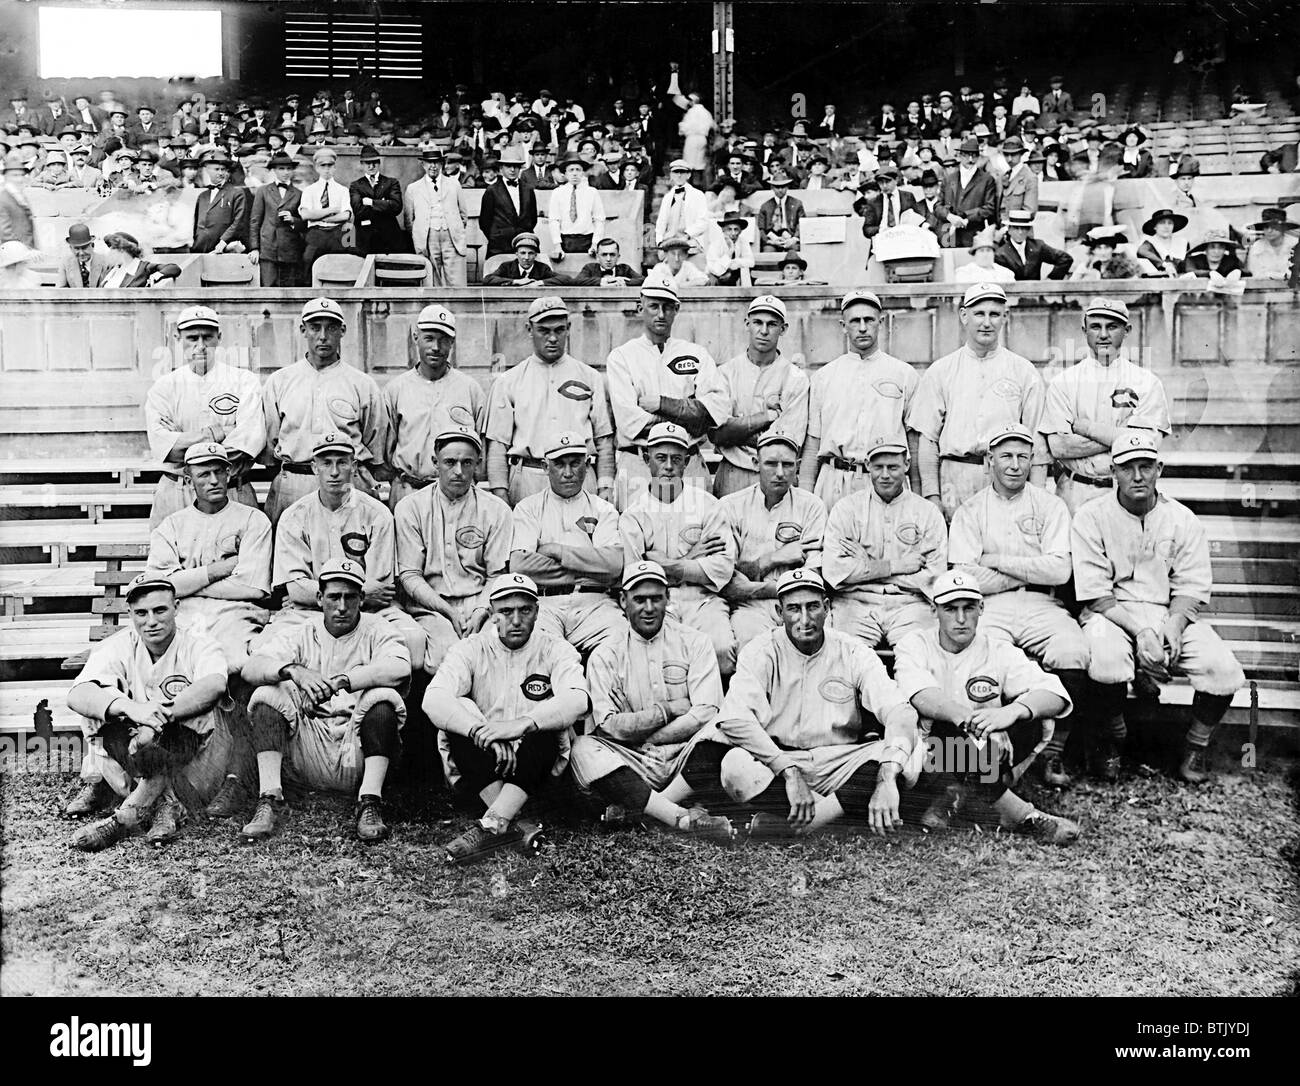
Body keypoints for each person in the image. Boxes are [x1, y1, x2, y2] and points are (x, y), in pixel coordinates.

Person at [679, 568, 925, 840]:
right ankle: (836, 815)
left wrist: (886, 777)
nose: (805, 619)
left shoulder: (853, 650)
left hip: (839, 760)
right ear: (779, 611)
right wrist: (788, 771)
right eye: (794, 609)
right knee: (734, 766)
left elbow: (899, 710)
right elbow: (735, 719)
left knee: (911, 752)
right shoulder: (761, 650)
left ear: (828, 607)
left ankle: (797, 823)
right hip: (781, 758)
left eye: (813, 607)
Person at [1072, 429, 1246, 784]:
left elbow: (1191, 585)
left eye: (1146, 466)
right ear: (1113, 471)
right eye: (1127, 467)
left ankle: (1195, 746)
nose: (1137, 476)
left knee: (1223, 669)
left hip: (1165, 613)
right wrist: (1143, 634)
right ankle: (1113, 740)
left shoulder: (1182, 518)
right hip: (1111, 613)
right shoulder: (1091, 516)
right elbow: (1094, 592)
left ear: (1159, 468)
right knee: (1105, 661)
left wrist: (1174, 625)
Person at [946, 423, 1093, 787]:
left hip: (1042, 604)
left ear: (1032, 462)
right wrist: (1029, 568)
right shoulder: (970, 510)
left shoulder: (1051, 505)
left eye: (1023, 457)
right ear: (989, 461)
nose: (1014, 465)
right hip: (990, 605)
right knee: (979, 654)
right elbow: (966, 578)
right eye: (1006, 456)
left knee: (1073, 651)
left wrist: (994, 559)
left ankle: (1053, 752)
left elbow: (1059, 570)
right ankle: (988, 754)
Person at [893, 571, 1080, 843]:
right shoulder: (914, 644)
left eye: (968, 608)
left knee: (1034, 716)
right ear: (934, 609)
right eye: (950, 609)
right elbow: (919, 693)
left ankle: (956, 794)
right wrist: (977, 725)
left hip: (988, 755)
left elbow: (1055, 694)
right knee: (943, 722)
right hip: (934, 753)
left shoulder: (998, 648)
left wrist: (1008, 713)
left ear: (981, 608)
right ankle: (1020, 814)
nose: (960, 619)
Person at [241, 558, 410, 843]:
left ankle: (370, 801)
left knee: (384, 698)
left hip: (356, 747)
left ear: (362, 598)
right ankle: (270, 797)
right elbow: (251, 668)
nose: (342, 607)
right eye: (333, 597)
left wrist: (343, 681)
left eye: (350, 597)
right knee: (267, 694)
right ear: (320, 598)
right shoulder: (302, 631)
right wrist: (294, 672)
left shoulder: (378, 628)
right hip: (310, 745)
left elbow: (400, 667)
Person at [424, 573, 588, 863]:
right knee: (457, 714)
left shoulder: (555, 648)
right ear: (492, 615)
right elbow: (433, 698)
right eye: (505, 611)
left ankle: (491, 823)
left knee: (549, 724)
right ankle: (514, 823)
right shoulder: (471, 648)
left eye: (524, 610)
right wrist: (480, 731)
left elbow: (578, 699)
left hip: (534, 772)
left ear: (537, 611)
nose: (515, 620)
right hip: (483, 768)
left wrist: (520, 725)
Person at [66, 574, 233, 851]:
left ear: (176, 607)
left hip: (193, 773)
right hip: (135, 761)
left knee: (197, 709)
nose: (151, 621)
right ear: (130, 613)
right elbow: (77, 694)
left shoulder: (198, 643)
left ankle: (124, 817)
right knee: (98, 707)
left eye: (160, 610)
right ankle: (165, 805)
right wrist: (134, 709)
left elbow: (215, 684)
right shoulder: (118, 645)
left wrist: (158, 717)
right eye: (141, 613)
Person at [574, 560, 733, 840]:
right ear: (623, 601)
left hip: (683, 752)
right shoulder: (605, 654)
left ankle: (647, 809)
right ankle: (679, 817)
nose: (649, 608)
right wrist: (669, 710)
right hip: (631, 759)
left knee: (725, 726)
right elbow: (610, 726)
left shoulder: (695, 641)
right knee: (582, 748)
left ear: (668, 598)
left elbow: (707, 711)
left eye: (656, 598)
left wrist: (654, 738)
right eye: (639, 599)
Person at [256, 432, 427, 668]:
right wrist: (337, 595)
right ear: (314, 468)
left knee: (413, 639)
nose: (334, 472)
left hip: (366, 611)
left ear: (354, 466)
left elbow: (381, 589)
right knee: (263, 647)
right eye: (326, 463)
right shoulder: (294, 516)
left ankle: (383, 700)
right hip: (309, 612)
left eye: (342, 462)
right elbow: (295, 589)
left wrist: (313, 592)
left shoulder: (377, 514)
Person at [910, 281, 1049, 521]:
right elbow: (928, 439)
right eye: (979, 314)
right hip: (955, 476)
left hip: (1007, 478)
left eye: (994, 314)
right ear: (964, 316)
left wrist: (1036, 497)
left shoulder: (1023, 371)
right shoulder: (941, 371)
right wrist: (931, 495)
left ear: (1005, 317)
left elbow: (1037, 442)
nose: (987, 322)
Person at [619, 422, 738, 676]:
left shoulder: (708, 505)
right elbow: (635, 578)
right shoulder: (634, 515)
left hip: (703, 600)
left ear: (686, 462)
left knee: (721, 649)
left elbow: (723, 567)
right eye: (661, 458)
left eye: (677, 459)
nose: (669, 466)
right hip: (659, 603)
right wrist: (694, 558)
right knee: (665, 656)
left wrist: (667, 565)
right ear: (646, 458)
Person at [145, 442, 272, 674]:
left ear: (228, 473)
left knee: (233, 662)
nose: (213, 480)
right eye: (203, 474)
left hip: (236, 612)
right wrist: (215, 571)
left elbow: (252, 588)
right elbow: (160, 585)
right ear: (188, 479)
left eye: (218, 472)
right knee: (172, 659)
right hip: (183, 613)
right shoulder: (172, 525)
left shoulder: (254, 520)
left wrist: (187, 583)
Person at [261, 297, 389, 526]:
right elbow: (271, 446)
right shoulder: (280, 381)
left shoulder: (362, 384)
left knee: (351, 552)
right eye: (314, 327)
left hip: (347, 481)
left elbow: (374, 442)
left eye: (331, 328)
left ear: (342, 330)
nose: (323, 336)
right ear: (303, 330)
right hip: (295, 480)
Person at [395, 426, 512, 673]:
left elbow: (496, 575)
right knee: (443, 659)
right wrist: (447, 611)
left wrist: (481, 611)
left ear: (478, 465)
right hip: (431, 605)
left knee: (496, 655)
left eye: (467, 463)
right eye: (450, 462)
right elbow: (409, 575)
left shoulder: (497, 510)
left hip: (481, 600)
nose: (458, 471)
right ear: (435, 463)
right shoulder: (411, 507)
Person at [1039, 297, 1171, 513]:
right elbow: (1059, 447)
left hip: (1124, 492)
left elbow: (1149, 444)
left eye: (1112, 327)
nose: (1103, 335)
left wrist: (1086, 428)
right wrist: (1126, 434)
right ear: (1084, 330)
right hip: (1075, 491)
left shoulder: (1146, 382)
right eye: (1095, 327)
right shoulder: (1063, 382)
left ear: (1127, 330)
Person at [606, 276, 728, 508]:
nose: (661, 314)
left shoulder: (697, 353)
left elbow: (717, 411)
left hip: (688, 460)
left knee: (695, 534)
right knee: (639, 536)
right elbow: (630, 422)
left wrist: (663, 404)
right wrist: (689, 412)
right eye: (654, 306)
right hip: (639, 462)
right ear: (640, 307)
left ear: (676, 309)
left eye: (667, 307)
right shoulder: (621, 357)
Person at [485, 295, 616, 506]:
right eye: (544, 331)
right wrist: (500, 494)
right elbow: (498, 445)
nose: (553, 338)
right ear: (530, 329)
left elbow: (604, 439)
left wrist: (606, 485)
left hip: (579, 476)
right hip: (529, 475)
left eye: (559, 330)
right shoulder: (509, 381)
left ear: (568, 327)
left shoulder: (589, 377)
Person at [508, 431, 627, 654]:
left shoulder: (603, 509)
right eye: (559, 465)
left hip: (594, 603)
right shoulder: (528, 508)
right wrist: (590, 567)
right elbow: (520, 566)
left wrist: (555, 550)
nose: (568, 473)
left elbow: (614, 565)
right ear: (545, 467)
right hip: (543, 604)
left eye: (575, 464)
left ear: (588, 463)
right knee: (539, 649)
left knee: (619, 640)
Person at [145, 306, 265, 528]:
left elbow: (247, 444)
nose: (200, 346)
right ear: (177, 338)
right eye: (192, 338)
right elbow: (164, 448)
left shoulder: (243, 381)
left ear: (219, 337)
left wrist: (183, 439)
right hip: (178, 490)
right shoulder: (164, 387)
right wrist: (219, 433)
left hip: (232, 491)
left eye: (207, 337)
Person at [822, 435, 945, 650]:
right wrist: (898, 565)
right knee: (844, 657)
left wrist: (868, 565)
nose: (885, 475)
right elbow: (834, 572)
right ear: (868, 465)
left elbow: (933, 578)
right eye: (878, 467)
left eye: (893, 467)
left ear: (907, 465)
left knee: (919, 656)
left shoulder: (927, 512)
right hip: (855, 604)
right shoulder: (847, 509)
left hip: (910, 604)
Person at [799, 289, 919, 509]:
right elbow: (813, 444)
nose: (862, 327)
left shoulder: (904, 374)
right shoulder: (824, 377)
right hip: (834, 481)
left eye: (869, 320)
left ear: (880, 322)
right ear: (843, 326)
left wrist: (919, 498)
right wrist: (804, 501)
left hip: (886, 482)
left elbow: (914, 443)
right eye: (855, 321)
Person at [718, 432, 827, 652]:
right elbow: (728, 582)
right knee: (751, 648)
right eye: (770, 464)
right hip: (751, 608)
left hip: (801, 607)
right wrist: (773, 559)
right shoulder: (730, 506)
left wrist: (752, 587)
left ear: (797, 466)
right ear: (756, 463)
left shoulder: (812, 506)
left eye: (787, 465)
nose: (779, 473)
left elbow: (813, 580)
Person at [382, 303, 485, 508]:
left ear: (452, 342)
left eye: (443, 340)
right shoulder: (396, 389)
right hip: (408, 490)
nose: (436, 348)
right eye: (429, 338)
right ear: (415, 337)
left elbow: (481, 449)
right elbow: (385, 450)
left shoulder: (470, 389)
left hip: (457, 495)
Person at [710, 294, 808, 497]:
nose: (764, 331)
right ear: (747, 323)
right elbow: (717, 433)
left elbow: (789, 441)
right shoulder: (726, 373)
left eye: (772, 324)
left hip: (775, 475)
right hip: (733, 473)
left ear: (783, 329)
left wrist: (737, 429)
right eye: (757, 323)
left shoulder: (795, 378)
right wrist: (768, 418)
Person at [404, 147, 469, 287]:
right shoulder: (413, 188)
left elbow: (463, 214)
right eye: (429, 162)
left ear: (442, 164)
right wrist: (421, 234)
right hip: (428, 237)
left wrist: (454, 229)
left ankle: (456, 308)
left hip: (451, 237)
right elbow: (409, 220)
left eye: (436, 162)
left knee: (456, 280)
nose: (433, 166)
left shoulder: (454, 184)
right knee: (432, 280)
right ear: (423, 164)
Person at [247, 151, 304, 286]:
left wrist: (293, 220)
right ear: (274, 170)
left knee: (288, 290)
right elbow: (255, 221)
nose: (285, 172)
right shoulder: (263, 191)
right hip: (268, 248)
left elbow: (305, 223)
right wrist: (255, 248)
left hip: (289, 248)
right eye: (281, 169)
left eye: (289, 169)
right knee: (268, 287)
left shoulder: (298, 194)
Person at [296, 146, 352, 279]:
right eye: (323, 166)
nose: (326, 169)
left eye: (330, 165)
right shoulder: (309, 190)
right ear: (317, 168)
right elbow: (305, 215)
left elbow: (346, 215)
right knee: (308, 262)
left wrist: (320, 217)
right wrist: (331, 211)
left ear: (334, 167)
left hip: (336, 233)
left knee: (339, 267)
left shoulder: (342, 190)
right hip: (316, 233)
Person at [477, 146, 537, 258]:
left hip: (524, 246)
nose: (513, 170)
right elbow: (484, 222)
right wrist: (496, 236)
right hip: (499, 247)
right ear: (501, 168)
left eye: (516, 166)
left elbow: (533, 218)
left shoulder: (528, 189)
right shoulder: (492, 190)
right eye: (508, 166)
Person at [939, 138, 998, 249]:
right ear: (960, 155)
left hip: (973, 234)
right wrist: (949, 216)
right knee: (949, 263)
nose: (970, 159)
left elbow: (989, 208)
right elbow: (937, 206)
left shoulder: (987, 179)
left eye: (974, 155)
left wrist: (967, 219)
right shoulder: (949, 179)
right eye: (966, 155)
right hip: (948, 233)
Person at [546, 155, 605, 264]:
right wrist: (557, 245)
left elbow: (599, 220)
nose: (574, 173)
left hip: (587, 241)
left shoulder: (592, 192)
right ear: (565, 174)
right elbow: (554, 220)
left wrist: (595, 244)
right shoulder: (558, 193)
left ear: (583, 173)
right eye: (571, 170)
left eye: (578, 170)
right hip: (566, 241)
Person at [347, 144, 405, 256]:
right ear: (362, 164)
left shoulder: (391, 182)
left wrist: (371, 202)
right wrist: (384, 204)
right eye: (368, 163)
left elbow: (397, 207)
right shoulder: (356, 185)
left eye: (375, 162)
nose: (371, 166)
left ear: (379, 163)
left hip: (389, 238)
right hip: (364, 239)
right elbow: (358, 211)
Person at [191, 149, 249, 254]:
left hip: (224, 249)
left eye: (223, 169)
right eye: (217, 169)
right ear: (208, 170)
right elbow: (197, 224)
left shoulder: (236, 192)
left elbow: (239, 221)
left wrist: (223, 241)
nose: (221, 173)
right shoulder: (203, 196)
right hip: (200, 248)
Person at [993, 208, 1071, 281]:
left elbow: (1065, 259)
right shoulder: (1001, 254)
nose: (1020, 232)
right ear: (1009, 230)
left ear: (1028, 230)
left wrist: (1050, 280)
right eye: (1016, 228)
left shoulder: (1037, 246)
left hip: (1035, 293)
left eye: (1024, 228)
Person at [655, 159, 710, 251]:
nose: (679, 175)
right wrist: (659, 241)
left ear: (688, 175)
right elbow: (660, 222)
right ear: (671, 175)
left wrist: (687, 235)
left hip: (690, 240)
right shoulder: (667, 197)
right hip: (669, 241)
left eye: (682, 172)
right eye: (676, 172)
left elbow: (703, 221)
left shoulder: (698, 195)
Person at [482, 229, 563, 286]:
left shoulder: (542, 268)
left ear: (536, 255)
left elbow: (566, 279)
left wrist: (540, 282)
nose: (526, 257)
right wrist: (515, 281)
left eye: (531, 253)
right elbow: (487, 279)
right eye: (523, 253)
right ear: (516, 254)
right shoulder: (506, 267)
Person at [860, 165, 917, 240]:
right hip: (883, 240)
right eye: (881, 183)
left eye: (887, 182)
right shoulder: (873, 202)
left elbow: (916, 219)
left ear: (896, 180)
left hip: (904, 238)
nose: (884, 186)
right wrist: (881, 229)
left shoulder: (907, 197)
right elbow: (867, 229)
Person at [755, 167, 803, 252]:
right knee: (768, 251)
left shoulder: (797, 203)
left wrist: (794, 239)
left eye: (783, 187)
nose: (780, 190)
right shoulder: (765, 206)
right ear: (772, 188)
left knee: (794, 251)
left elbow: (801, 224)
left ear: (787, 187)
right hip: (772, 239)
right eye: (777, 187)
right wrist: (771, 240)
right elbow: (761, 228)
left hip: (790, 238)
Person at [1245, 207, 1298, 281]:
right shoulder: (1256, 247)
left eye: (1274, 226)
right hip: (1265, 289)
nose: (1269, 231)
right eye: (1266, 227)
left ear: (1283, 227)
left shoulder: (1296, 245)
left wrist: (1271, 274)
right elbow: (1257, 275)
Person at [1135, 208, 1190, 278]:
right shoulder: (1149, 243)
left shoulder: (1182, 242)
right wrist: (1164, 264)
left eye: (1170, 223)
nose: (1166, 226)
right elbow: (1141, 251)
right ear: (1155, 226)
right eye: (1162, 223)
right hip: (1157, 282)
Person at [568, 236, 644, 286]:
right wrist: (602, 281)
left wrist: (624, 282)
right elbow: (577, 281)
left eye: (612, 255)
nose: (608, 259)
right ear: (597, 257)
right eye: (604, 255)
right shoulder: (590, 268)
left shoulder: (625, 268)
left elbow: (643, 280)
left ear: (618, 257)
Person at [705, 212, 755, 285]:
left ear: (740, 231)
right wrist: (730, 252)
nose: (733, 233)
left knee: (744, 272)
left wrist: (732, 264)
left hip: (733, 275)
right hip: (715, 277)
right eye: (729, 229)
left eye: (736, 229)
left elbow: (750, 262)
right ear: (723, 230)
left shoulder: (743, 241)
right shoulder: (716, 244)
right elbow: (716, 270)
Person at [55, 222, 108, 288]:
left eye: (84, 248)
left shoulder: (105, 262)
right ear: (71, 248)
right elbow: (60, 290)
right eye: (77, 249)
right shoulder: (65, 263)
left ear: (92, 245)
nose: (81, 253)